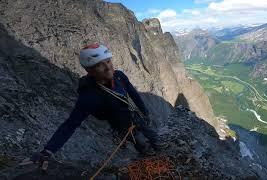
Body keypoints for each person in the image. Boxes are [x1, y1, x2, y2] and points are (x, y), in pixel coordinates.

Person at [30, 42, 167, 166]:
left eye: (108, 61)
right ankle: (151, 161)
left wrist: (145, 112)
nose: (108, 67)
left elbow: (133, 93)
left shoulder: (119, 76)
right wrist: (48, 150)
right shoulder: (89, 97)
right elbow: (70, 125)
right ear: (89, 70)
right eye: (100, 65)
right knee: (143, 146)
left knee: (155, 139)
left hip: (136, 117)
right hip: (123, 127)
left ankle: (161, 154)